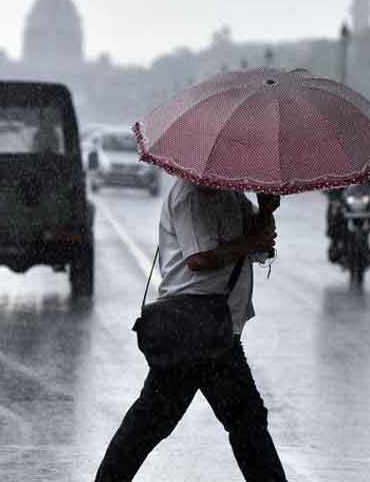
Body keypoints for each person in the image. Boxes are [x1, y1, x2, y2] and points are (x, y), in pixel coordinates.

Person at [94, 178, 286, 482]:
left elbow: (260, 244)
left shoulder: (231, 192)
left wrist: (264, 209)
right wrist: (251, 243)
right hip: (193, 326)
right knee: (161, 420)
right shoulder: (191, 193)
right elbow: (199, 259)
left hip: (216, 328)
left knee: (162, 420)